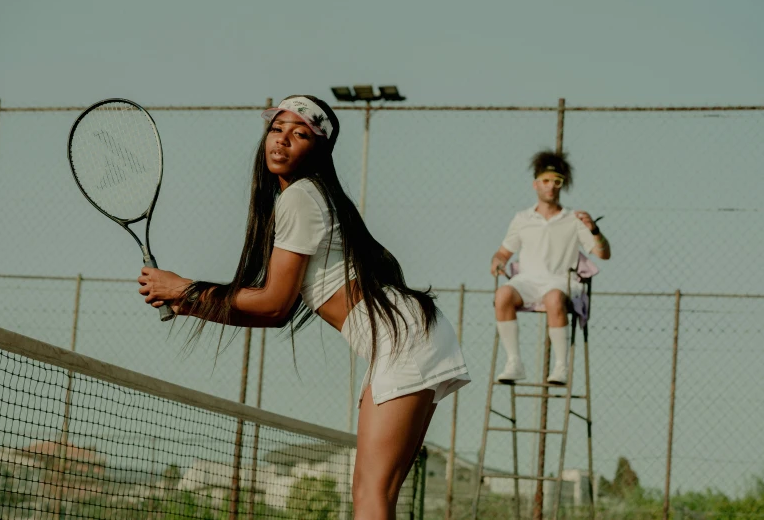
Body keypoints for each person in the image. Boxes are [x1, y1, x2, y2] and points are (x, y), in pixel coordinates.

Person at [137, 95, 470, 519]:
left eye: (300, 135)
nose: (282, 141)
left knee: (371, 495)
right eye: (277, 130)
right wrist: (193, 304)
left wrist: (186, 288)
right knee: (376, 493)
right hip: (413, 334)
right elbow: (275, 312)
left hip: (403, 340)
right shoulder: (308, 198)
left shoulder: (300, 197)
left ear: (318, 149)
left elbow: (274, 304)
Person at [489, 150, 611, 384]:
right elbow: (503, 252)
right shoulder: (522, 218)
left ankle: (560, 367)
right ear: (536, 184)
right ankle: (514, 362)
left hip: (560, 283)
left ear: (561, 185)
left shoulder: (574, 219)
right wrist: (497, 262)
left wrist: (594, 230)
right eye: (546, 181)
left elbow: (603, 254)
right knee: (502, 294)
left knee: (554, 298)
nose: (551, 186)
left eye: (557, 182)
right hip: (527, 281)